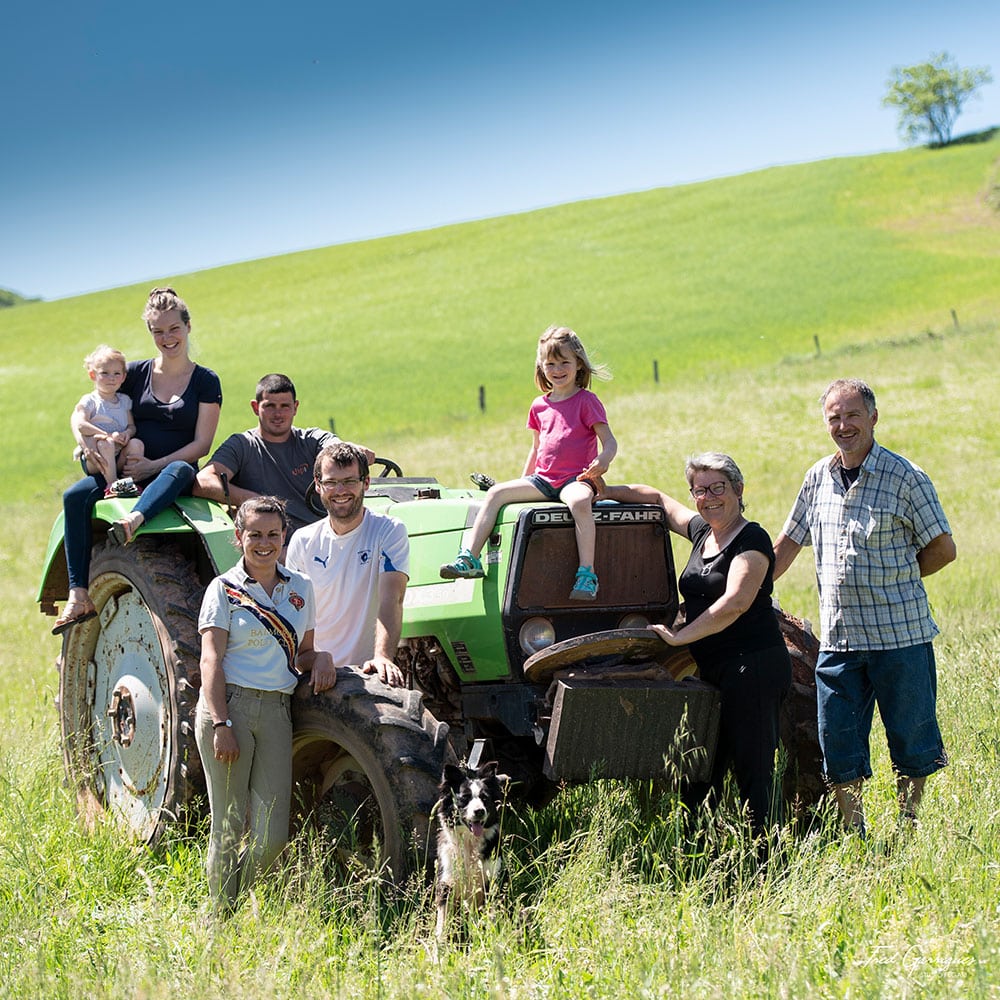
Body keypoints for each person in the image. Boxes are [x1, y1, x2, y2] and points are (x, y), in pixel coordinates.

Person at [773, 378, 956, 836]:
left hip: (901, 636)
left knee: (911, 739)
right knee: (838, 742)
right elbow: (788, 544)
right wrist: (744, 590)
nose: (843, 425)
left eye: (852, 415)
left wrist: (898, 581)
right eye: (834, 417)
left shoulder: (906, 477)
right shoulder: (817, 477)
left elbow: (943, 548)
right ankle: (855, 833)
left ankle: (907, 826)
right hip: (839, 640)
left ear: (873, 417)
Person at [597, 453, 791, 838]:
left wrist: (680, 637)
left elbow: (735, 601)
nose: (708, 497)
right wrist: (603, 491)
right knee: (699, 770)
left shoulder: (751, 538)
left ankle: (767, 864)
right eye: (700, 490)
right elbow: (656, 499)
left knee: (753, 770)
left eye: (717, 487)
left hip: (752, 666)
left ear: (738, 489)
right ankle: (702, 857)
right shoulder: (703, 532)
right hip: (713, 671)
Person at [53, 287, 222, 635]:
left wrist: (153, 465)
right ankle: (78, 593)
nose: (167, 338)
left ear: (188, 327)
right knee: (74, 497)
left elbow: (201, 444)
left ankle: (134, 518)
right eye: (158, 331)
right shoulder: (133, 373)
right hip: (124, 467)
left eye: (173, 328)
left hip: (171, 470)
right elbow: (88, 406)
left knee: (179, 470)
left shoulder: (205, 381)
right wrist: (88, 442)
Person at [195, 496, 335, 911]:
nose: (264, 542)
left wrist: (322, 658)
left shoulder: (301, 587)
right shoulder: (222, 589)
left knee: (272, 834)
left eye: (273, 534)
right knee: (228, 821)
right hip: (229, 708)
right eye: (254, 534)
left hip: (276, 712)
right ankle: (221, 915)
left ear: (283, 537)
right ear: (239, 537)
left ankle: (248, 905)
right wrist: (221, 723)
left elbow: (302, 654)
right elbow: (210, 659)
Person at [440, 325, 617, 601]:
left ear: (578, 364)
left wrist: (602, 462)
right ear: (541, 366)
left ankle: (586, 574)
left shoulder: (587, 401)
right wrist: (523, 479)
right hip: (544, 480)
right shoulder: (539, 406)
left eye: (564, 363)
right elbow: (536, 448)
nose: (557, 370)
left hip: (576, 479)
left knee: (580, 503)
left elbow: (610, 442)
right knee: (497, 494)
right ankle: (470, 558)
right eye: (550, 364)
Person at [285, 442, 409, 688]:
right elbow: (296, 613)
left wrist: (382, 657)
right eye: (331, 482)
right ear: (318, 485)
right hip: (315, 672)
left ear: (366, 483)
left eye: (350, 481)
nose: (340, 490)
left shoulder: (388, 530)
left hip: (368, 671)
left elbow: (391, 598)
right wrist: (311, 660)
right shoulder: (303, 540)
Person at [193, 373, 375, 534]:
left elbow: (335, 448)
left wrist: (354, 449)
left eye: (285, 406)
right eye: (270, 406)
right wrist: (255, 500)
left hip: (323, 537)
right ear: (256, 407)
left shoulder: (311, 440)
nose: (278, 414)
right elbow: (203, 481)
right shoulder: (242, 445)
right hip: (271, 547)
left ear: (295, 407)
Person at [71, 345, 145, 488]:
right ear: (93, 375)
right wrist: (107, 435)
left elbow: (131, 426)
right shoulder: (90, 400)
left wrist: (126, 434)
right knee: (107, 444)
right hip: (96, 457)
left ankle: (130, 483)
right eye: (104, 373)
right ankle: (112, 486)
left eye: (117, 373)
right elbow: (81, 425)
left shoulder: (124, 400)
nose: (111, 378)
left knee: (137, 444)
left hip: (119, 455)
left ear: (123, 377)